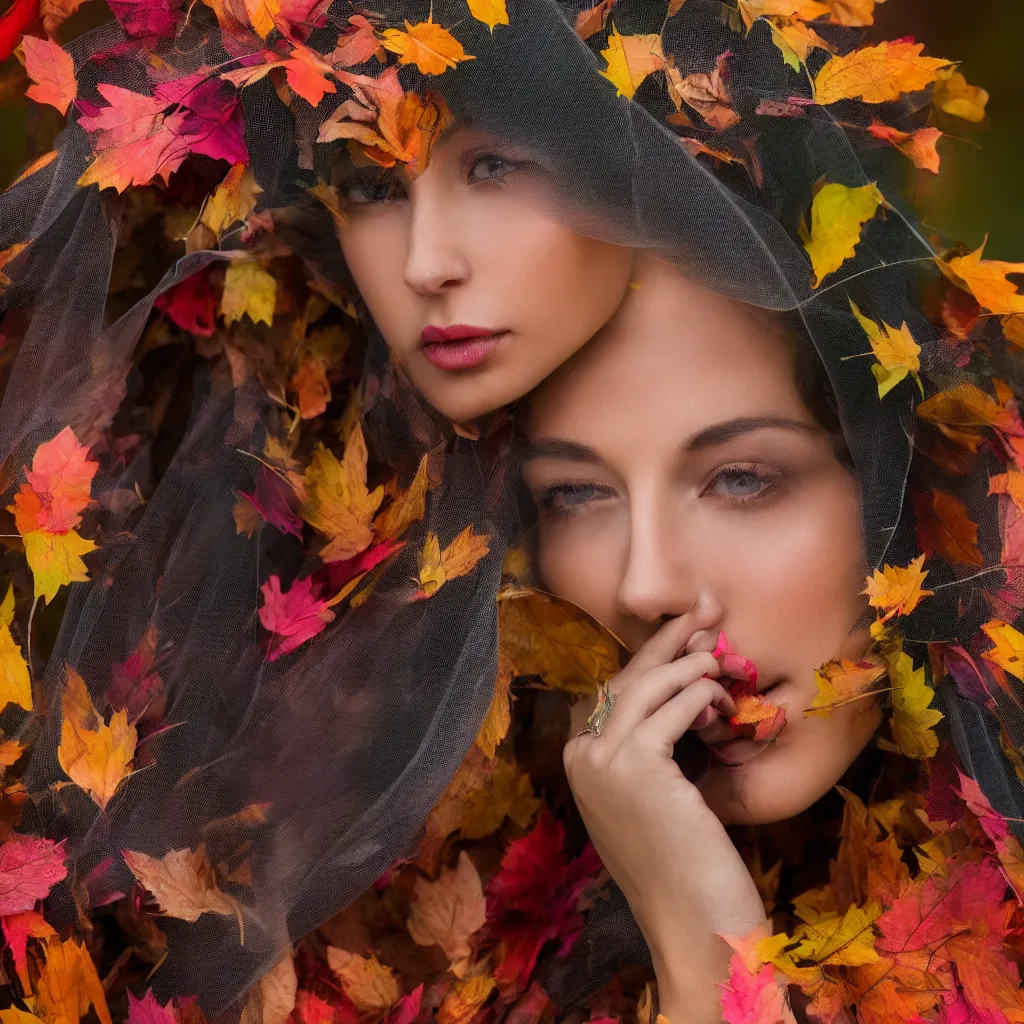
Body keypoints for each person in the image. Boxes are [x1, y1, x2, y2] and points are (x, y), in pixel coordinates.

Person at [519, 257, 1024, 1020]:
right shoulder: (511, 945)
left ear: (912, 480)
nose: (645, 588)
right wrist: (700, 954)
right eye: (576, 494)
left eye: (743, 477)